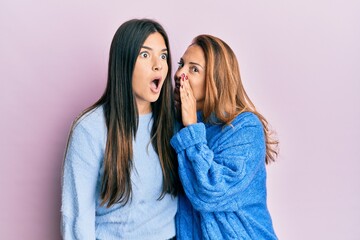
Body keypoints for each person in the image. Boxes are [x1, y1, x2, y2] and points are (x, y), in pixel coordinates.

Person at [61, 19, 179, 240]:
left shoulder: (174, 123)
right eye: (145, 55)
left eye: (163, 56)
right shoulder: (90, 129)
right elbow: (77, 215)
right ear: (124, 62)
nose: (158, 65)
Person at [171, 34, 279, 239]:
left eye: (193, 69)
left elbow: (211, 191)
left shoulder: (245, 127)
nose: (179, 74)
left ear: (216, 79)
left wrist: (191, 128)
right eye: (181, 64)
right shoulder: (177, 127)